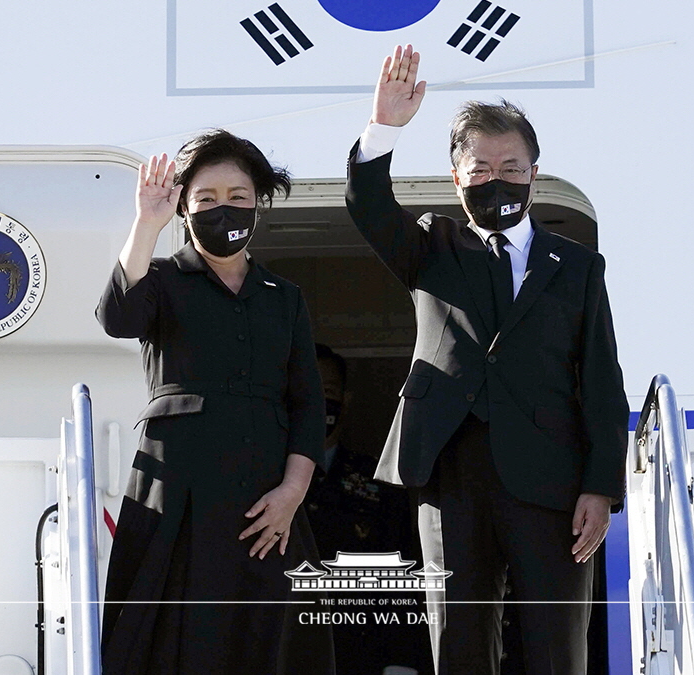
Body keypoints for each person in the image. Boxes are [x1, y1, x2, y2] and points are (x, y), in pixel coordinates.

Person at [344, 46, 630, 675]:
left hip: (552, 480)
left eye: (510, 164)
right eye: (479, 167)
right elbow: (368, 207)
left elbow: (603, 380)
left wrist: (601, 486)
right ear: (456, 177)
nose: (494, 177)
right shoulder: (432, 247)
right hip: (452, 477)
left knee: (557, 644)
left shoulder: (578, 266)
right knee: (460, 643)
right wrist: (383, 127)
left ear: (533, 173)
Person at [96, 129, 335, 675]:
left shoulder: (284, 297)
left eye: (237, 198)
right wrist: (146, 224)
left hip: (266, 508)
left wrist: (291, 495)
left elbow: (306, 405)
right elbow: (117, 318)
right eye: (205, 199)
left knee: (271, 644)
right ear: (184, 206)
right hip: (176, 500)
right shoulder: (160, 278)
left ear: (258, 205)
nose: (222, 210)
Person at [304, 343, 431, 675]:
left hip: (362, 652)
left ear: (345, 401)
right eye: (308, 391)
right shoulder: (264, 481)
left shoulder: (379, 483)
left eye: (328, 391)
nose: (318, 402)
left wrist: (401, 662)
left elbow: (404, 578)